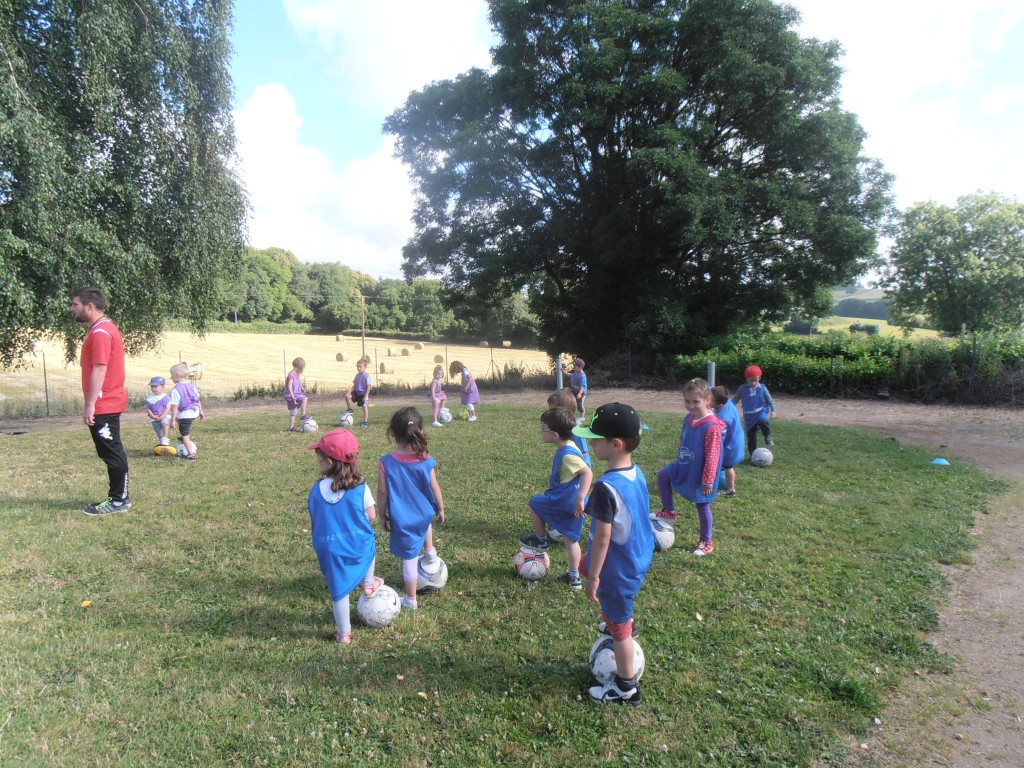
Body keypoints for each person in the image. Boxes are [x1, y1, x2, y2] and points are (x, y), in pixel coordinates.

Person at [572, 402, 653, 705]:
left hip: (618, 568)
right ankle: (616, 619)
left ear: (615, 444)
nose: (591, 445)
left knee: (620, 630)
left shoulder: (606, 488)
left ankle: (625, 688)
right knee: (585, 565)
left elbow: (603, 538)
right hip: (636, 556)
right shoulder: (635, 472)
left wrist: (594, 577)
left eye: (595, 440)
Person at [307, 428, 382, 644]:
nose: (318, 463)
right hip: (357, 544)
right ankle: (368, 584)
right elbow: (371, 516)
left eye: (320, 459)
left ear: (330, 463)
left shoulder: (316, 490)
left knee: (339, 591)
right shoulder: (360, 487)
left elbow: (315, 519)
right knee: (369, 543)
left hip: (329, 548)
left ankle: (343, 634)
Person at [377, 407, 446, 610]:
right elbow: (435, 486)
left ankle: (410, 600)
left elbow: (382, 493)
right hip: (424, 514)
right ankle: (430, 552)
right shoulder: (425, 458)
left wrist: (382, 515)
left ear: (392, 432)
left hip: (403, 520)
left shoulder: (386, 462)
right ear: (419, 431)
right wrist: (441, 508)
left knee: (409, 560)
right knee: (424, 522)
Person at [518, 407, 594, 589]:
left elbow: (587, 472)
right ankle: (574, 577)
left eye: (543, 429)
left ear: (554, 435)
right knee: (571, 540)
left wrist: (580, 498)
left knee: (535, 503)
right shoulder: (569, 446)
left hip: (566, 500)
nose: (541, 432)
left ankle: (541, 539)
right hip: (573, 502)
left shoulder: (567, 455)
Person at [70, 287, 130, 515]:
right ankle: (120, 498)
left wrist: (90, 404)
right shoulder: (101, 329)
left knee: (112, 452)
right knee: (110, 451)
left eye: (75, 304)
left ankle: (118, 500)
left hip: (105, 403)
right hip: (106, 402)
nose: (72, 309)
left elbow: (100, 369)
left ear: (90, 306)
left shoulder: (101, 332)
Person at [653, 378, 723, 557]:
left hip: (701, 473)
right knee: (663, 475)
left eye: (696, 402)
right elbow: (683, 438)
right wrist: (679, 457)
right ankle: (669, 511)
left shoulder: (711, 427)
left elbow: (713, 457)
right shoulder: (689, 418)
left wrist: (708, 480)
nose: (691, 406)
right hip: (684, 464)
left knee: (702, 505)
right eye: (687, 401)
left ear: (707, 400)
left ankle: (706, 541)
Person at [732, 364, 777, 455]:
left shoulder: (762, 388)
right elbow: (735, 399)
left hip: (760, 411)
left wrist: (773, 410)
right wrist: (728, 407)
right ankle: (753, 455)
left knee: (763, 420)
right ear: (746, 379)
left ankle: (767, 436)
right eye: (750, 381)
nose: (753, 383)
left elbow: (769, 399)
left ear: (759, 378)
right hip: (748, 415)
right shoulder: (742, 388)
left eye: (755, 380)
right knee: (751, 437)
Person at [712, 385, 746, 496]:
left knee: (728, 466)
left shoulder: (722, 418)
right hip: (736, 438)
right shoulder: (727, 402)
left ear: (719, 405)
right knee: (724, 465)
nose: (707, 400)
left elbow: (719, 438)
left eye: (710, 400)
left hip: (731, 445)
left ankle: (731, 490)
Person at [169, 362, 204, 461]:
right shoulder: (191, 385)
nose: (171, 377)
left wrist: (172, 420)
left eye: (171, 375)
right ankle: (184, 433)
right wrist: (201, 411)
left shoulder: (176, 389)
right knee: (180, 420)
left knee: (185, 435)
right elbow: (197, 399)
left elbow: (175, 406)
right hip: (194, 411)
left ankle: (191, 455)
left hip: (186, 414)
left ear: (177, 375)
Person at [547, 388, 590, 466]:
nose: (550, 414)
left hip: (580, 468)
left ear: (565, 411)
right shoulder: (563, 425)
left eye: (553, 411)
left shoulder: (575, 428)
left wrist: (572, 464)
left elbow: (583, 452)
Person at [146, 376, 173, 450]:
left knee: (164, 424)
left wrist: (161, 417)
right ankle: (162, 444)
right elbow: (148, 409)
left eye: (155, 387)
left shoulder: (166, 397)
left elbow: (167, 408)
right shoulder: (150, 398)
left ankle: (165, 439)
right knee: (159, 432)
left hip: (165, 415)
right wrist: (153, 416)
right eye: (152, 387)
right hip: (154, 417)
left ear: (162, 387)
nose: (153, 389)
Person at [285, 357, 312, 432]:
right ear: (300, 367)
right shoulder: (291, 375)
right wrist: (292, 396)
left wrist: (302, 388)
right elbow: (289, 386)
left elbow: (298, 381)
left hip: (295, 394)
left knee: (293, 412)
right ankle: (303, 415)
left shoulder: (297, 374)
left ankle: (291, 428)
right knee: (304, 399)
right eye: (303, 367)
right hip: (292, 395)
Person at [343, 359, 372, 428]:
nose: (358, 368)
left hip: (363, 394)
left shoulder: (366, 376)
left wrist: (365, 397)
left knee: (364, 408)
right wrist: (350, 391)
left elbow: (368, 387)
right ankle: (350, 409)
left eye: (360, 366)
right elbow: (355, 385)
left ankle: (365, 422)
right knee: (347, 396)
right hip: (356, 392)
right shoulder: (357, 375)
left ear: (365, 367)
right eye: (357, 366)